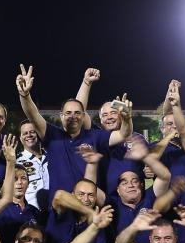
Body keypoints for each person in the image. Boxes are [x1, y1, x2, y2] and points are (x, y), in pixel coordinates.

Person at [16, 64, 132, 200]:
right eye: (68, 113)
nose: (73, 116)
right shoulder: (52, 135)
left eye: (77, 113)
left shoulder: (95, 136)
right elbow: (32, 114)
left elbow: (123, 134)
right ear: (61, 116)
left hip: (89, 206)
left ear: (83, 116)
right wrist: (25, 95)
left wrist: (127, 118)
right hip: (61, 208)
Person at [16, 120, 49, 210]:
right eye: (25, 133)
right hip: (31, 213)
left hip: (55, 211)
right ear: (20, 138)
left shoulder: (53, 157)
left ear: (39, 133)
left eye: (32, 132)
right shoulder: (16, 162)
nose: (29, 135)